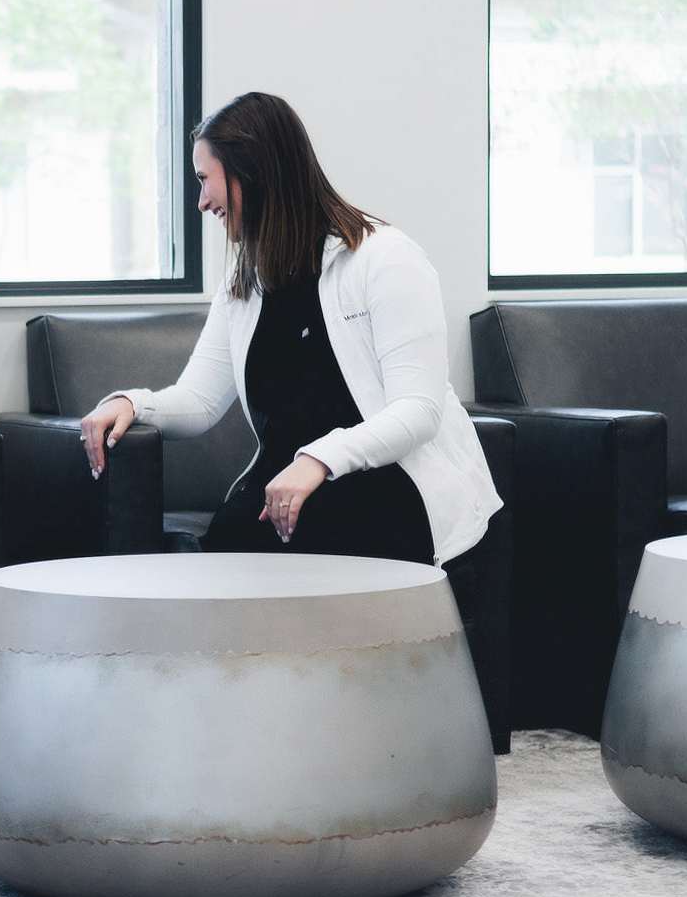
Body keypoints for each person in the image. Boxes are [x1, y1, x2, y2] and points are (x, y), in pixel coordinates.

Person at [75, 91, 502, 574]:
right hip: (284, 489)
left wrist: (317, 461)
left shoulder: (386, 259)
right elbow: (199, 400)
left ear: (252, 172)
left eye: (204, 179)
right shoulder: (245, 279)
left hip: (383, 481)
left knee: (306, 536)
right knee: (235, 538)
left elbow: (418, 412)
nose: (200, 202)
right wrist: (133, 403)